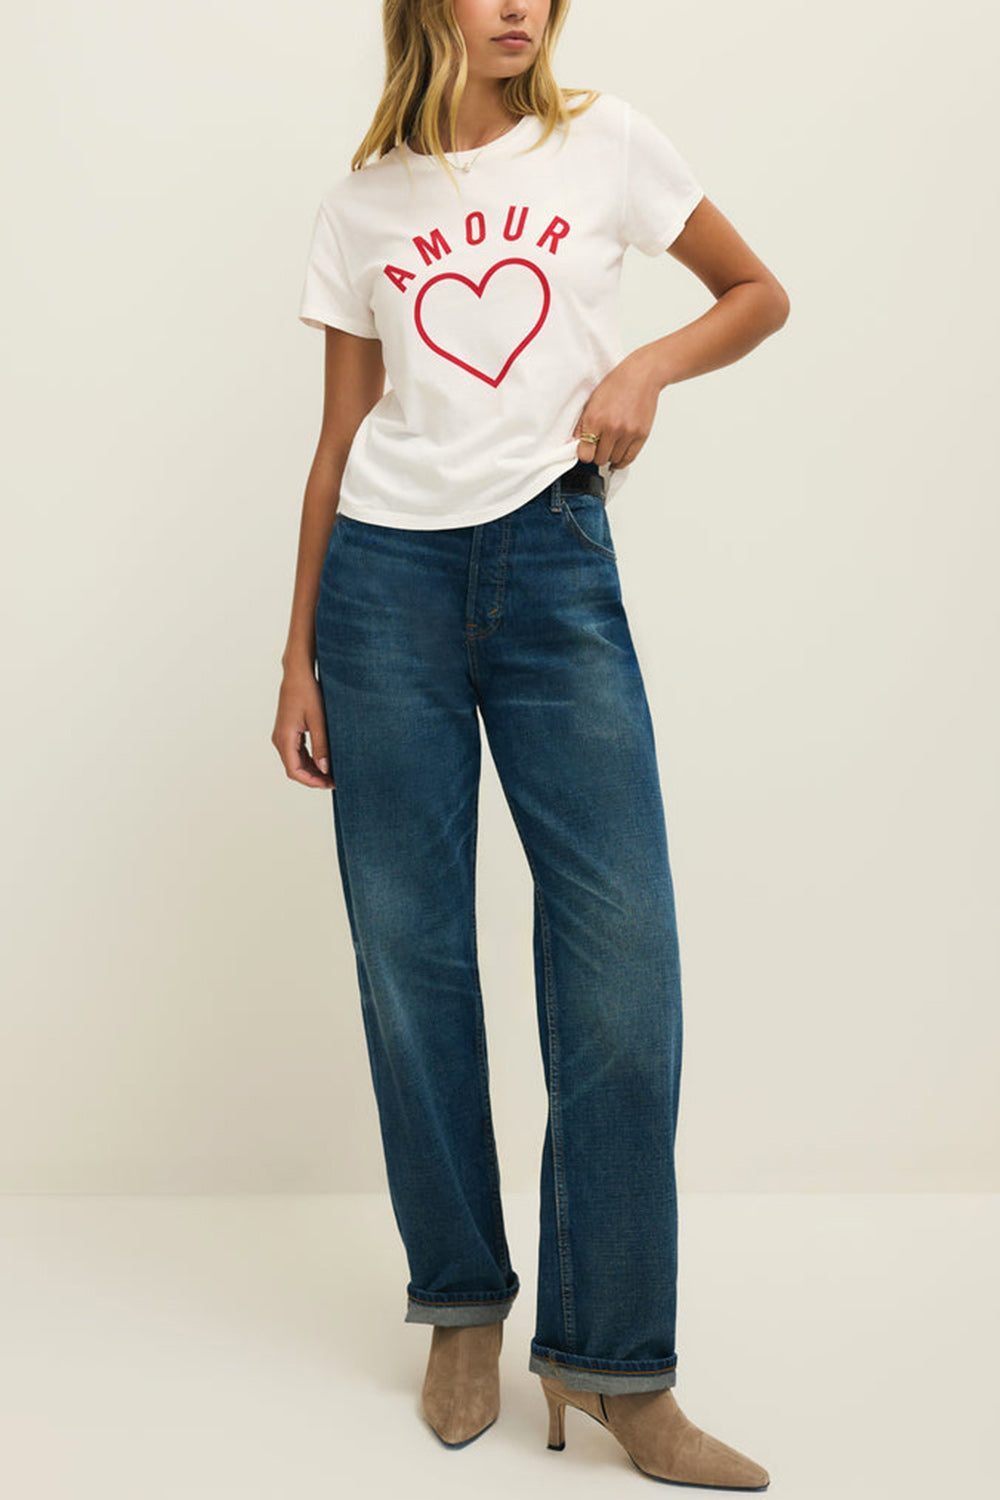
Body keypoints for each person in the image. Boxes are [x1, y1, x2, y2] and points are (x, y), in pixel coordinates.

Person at [273, 0, 788, 1488]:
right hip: (381, 594)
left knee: (623, 960)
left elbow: (757, 293)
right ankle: (460, 1302)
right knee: (410, 956)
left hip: (554, 561)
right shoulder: (357, 206)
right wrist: (299, 649)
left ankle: (618, 1364)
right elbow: (336, 442)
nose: (520, 7)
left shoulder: (603, 145)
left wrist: (643, 373)